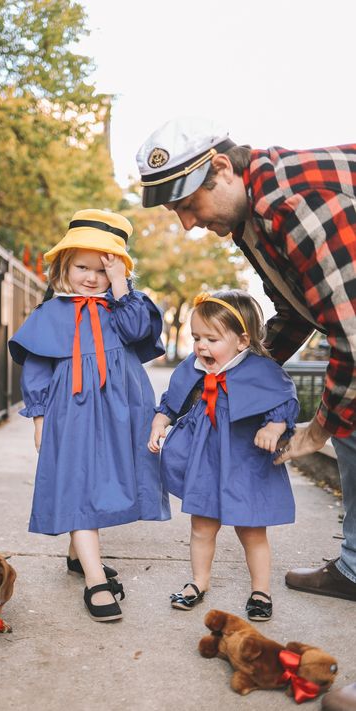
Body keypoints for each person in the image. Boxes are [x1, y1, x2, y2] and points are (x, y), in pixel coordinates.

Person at [136, 118, 356, 599]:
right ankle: (355, 567)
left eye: (189, 205)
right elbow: (293, 314)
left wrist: (312, 432)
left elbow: (350, 336)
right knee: (351, 429)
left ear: (221, 168)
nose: (188, 224)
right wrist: (245, 369)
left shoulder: (294, 206)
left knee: (341, 426)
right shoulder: (248, 221)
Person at [9, 209, 170, 623]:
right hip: (73, 408)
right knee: (79, 482)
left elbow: (139, 332)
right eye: (83, 266)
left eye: (103, 269)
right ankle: (95, 581)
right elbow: (38, 367)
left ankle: (77, 555)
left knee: (105, 480)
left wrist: (120, 286)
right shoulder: (51, 313)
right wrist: (40, 415)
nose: (91, 277)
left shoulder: (122, 307)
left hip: (121, 410)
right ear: (64, 265)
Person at [148, 290, 299, 620]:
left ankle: (261, 590)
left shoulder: (262, 371)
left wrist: (273, 428)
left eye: (212, 339)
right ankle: (198, 582)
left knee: (251, 531)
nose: (201, 346)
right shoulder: (195, 367)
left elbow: (284, 404)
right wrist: (161, 420)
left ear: (242, 340)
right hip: (206, 462)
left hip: (245, 462)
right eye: (196, 337)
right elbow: (174, 400)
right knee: (202, 526)